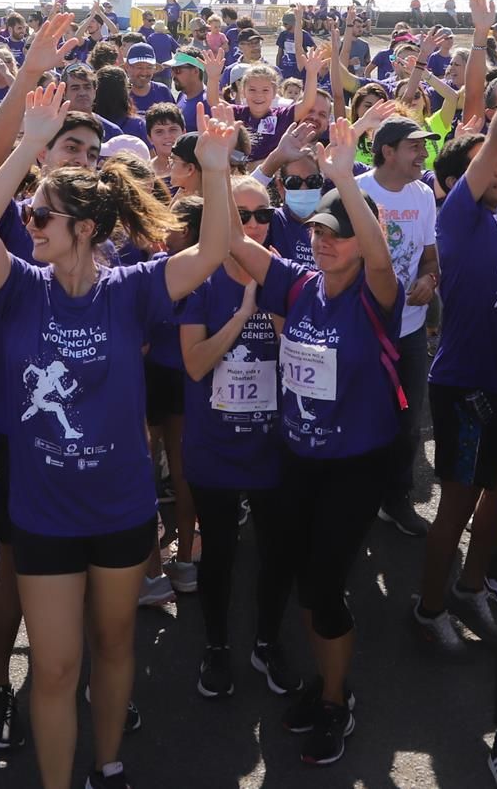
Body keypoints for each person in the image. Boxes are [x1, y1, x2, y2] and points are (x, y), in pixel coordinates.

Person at [0, 83, 235, 789]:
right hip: (45, 513)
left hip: (121, 510)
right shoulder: (19, 286)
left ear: (84, 226)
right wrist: (30, 143)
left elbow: (213, 252)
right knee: (53, 666)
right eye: (30, 210)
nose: (29, 221)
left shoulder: (133, 288)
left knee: (114, 645)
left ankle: (107, 765)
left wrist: (213, 165)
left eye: (42, 212)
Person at [216, 119, 403, 765]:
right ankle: (327, 685)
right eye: (319, 231)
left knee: (326, 584)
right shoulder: (298, 282)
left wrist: (346, 177)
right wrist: (223, 170)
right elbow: (230, 240)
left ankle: (335, 698)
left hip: (355, 463)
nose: (323, 241)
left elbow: (380, 258)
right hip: (300, 455)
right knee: (301, 577)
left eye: (337, 233)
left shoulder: (376, 295)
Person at [413, 20, 497, 653]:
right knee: (456, 508)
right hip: (465, 387)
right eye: (493, 165)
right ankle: (430, 605)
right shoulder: (458, 218)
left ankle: (470, 584)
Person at [177, 180, 298, 700]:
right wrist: (243, 315)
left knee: (277, 552)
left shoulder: (286, 278)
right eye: (240, 216)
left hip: (271, 447)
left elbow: (303, 365)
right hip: (214, 447)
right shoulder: (200, 280)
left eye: (261, 215)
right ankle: (217, 645)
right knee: (221, 552)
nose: (252, 226)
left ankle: (267, 640)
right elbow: (196, 363)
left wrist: (274, 317)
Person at [357, 114, 439, 537]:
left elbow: (429, 258)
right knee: (359, 416)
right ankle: (354, 500)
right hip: (362, 329)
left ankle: (397, 498)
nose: (424, 153)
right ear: (388, 151)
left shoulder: (424, 194)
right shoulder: (356, 191)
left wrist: (429, 280)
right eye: (415, 146)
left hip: (409, 331)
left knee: (407, 421)